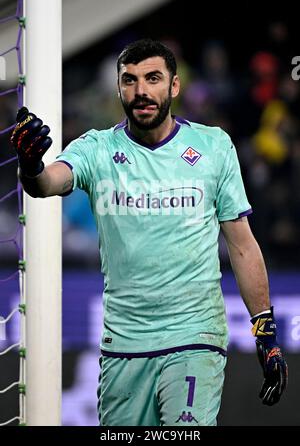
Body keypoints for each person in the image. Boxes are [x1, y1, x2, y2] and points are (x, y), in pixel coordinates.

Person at [10, 39, 288, 426]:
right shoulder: (96, 149)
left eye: (153, 78)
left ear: (174, 86)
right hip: (124, 346)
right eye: (130, 80)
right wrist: (29, 164)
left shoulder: (213, 147)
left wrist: (265, 331)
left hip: (194, 336)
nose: (141, 91)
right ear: (119, 87)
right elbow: (44, 184)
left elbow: (242, 246)